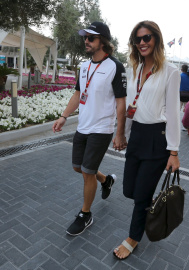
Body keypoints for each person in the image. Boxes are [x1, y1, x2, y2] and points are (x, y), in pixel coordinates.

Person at [113, 20, 180, 260]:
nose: (142, 42)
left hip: (157, 138)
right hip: (137, 135)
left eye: (147, 37)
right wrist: (121, 133)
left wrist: (173, 152)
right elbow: (132, 106)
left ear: (157, 40)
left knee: (139, 196)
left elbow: (173, 113)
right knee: (130, 189)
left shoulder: (170, 71)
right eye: (138, 39)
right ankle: (146, 199)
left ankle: (133, 238)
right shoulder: (134, 69)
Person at [52, 21, 127, 236]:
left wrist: (119, 132)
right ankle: (106, 180)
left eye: (91, 37)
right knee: (79, 167)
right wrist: (64, 116)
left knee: (87, 171)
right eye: (85, 37)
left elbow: (121, 101)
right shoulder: (84, 67)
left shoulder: (115, 66)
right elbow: (78, 94)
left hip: (102, 128)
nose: (86, 40)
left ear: (102, 41)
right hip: (82, 126)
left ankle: (85, 214)